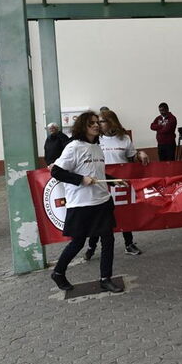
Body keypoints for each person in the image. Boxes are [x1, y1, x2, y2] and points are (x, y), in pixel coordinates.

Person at [49, 111, 123, 294]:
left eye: (97, 122)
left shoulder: (97, 147)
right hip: (81, 204)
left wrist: (113, 180)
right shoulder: (74, 147)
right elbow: (56, 172)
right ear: (83, 126)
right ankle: (58, 272)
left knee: (108, 240)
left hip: (102, 201)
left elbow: (97, 174)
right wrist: (81, 179)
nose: (97, 125)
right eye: (92, 123)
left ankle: (105, 278)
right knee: (78, 243)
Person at [84, 109, 149, 259]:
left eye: (102, 121)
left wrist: (140, 154)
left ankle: (129, 244)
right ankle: (91, 246)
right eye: (97, 122)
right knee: (99, 217)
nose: (98, 124)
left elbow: (132, 157)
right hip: (100, 183)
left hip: (119, 183)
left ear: (111, 122)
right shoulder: (95, 139)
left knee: (124, 213)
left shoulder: (124, 139)